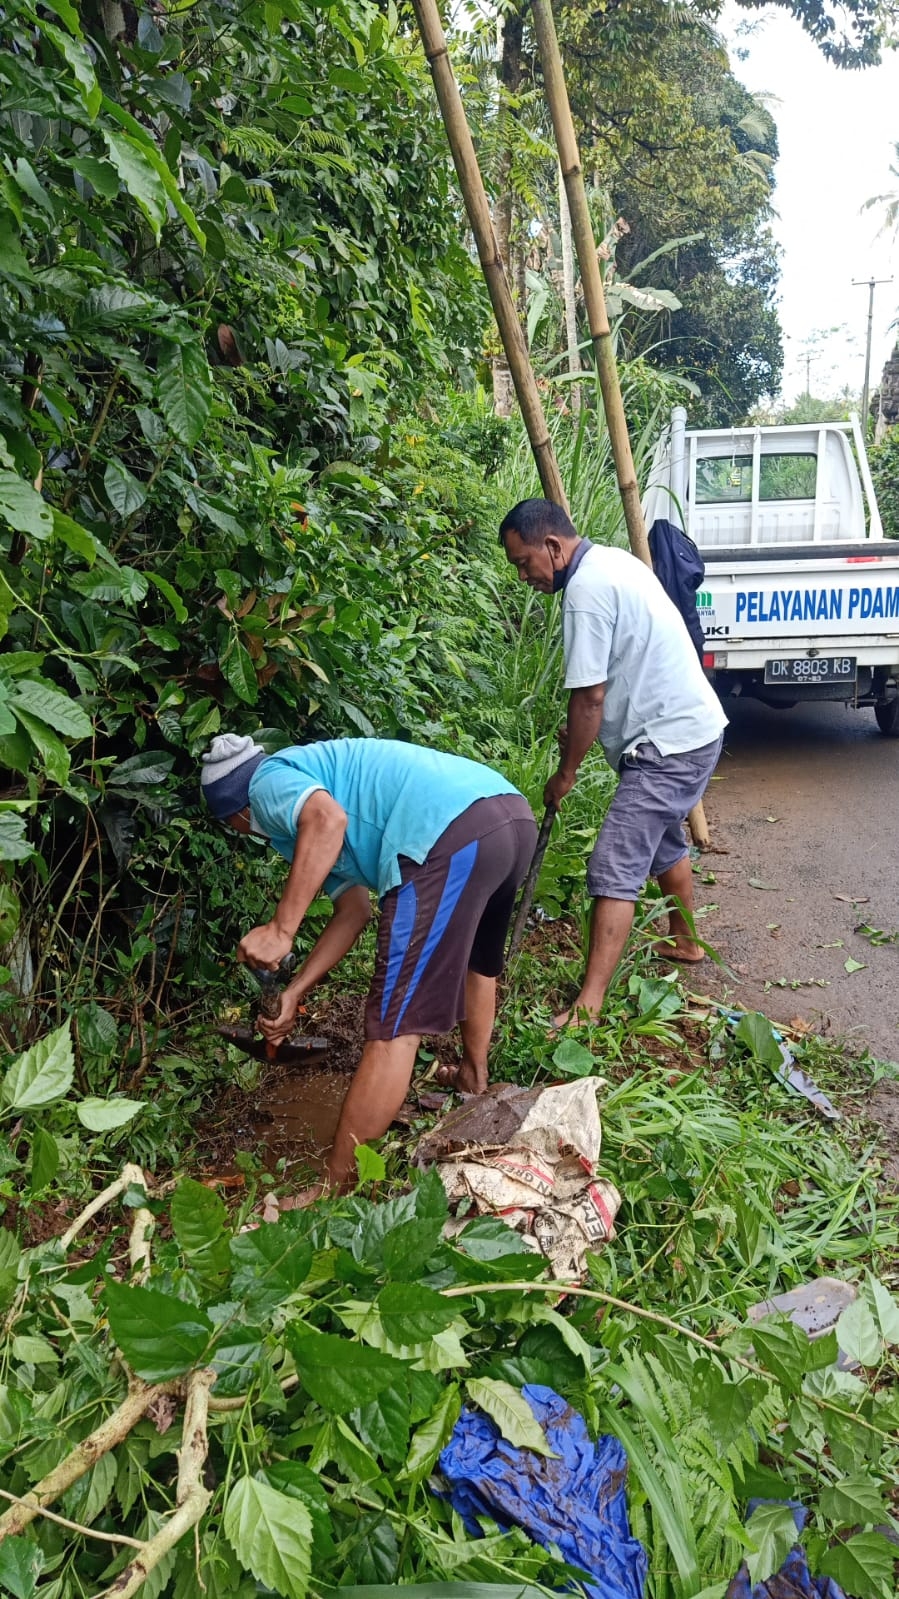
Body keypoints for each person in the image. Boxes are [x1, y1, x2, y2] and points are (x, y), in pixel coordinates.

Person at [200, 733, 536, 1201]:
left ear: (234, 816)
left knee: (394, 1025)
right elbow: (352, 911)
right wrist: (294, 992)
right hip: (509, 817)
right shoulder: (306, 803)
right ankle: (473, 1079)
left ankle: (332, 1191)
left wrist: (281, 929)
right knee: (479, 963)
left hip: (443, 831)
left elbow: (328, 819)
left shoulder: (266, 781)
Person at [499, 498, 727, 1029]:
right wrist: (579, 736)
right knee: (662, 842)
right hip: (693, 732)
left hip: (668, 746)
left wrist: (567, 771)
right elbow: (614, 679)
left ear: (552, 547)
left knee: (612, 866)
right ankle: (686, 943)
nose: (523, 575)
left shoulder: (583, 591)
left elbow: (590, 698)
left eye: (522, 562)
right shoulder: (614, 561)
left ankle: (589, 1006)